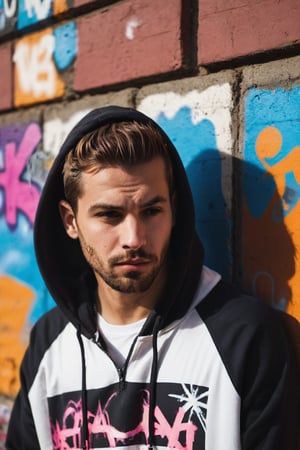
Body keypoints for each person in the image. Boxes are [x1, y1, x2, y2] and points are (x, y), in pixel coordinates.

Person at [6, 106, 298, 450]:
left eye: (151, 211)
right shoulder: (48, 344)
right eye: (110, 215)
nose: (135, 238)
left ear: (173, 210)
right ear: (70, 221)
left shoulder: (243, 337)